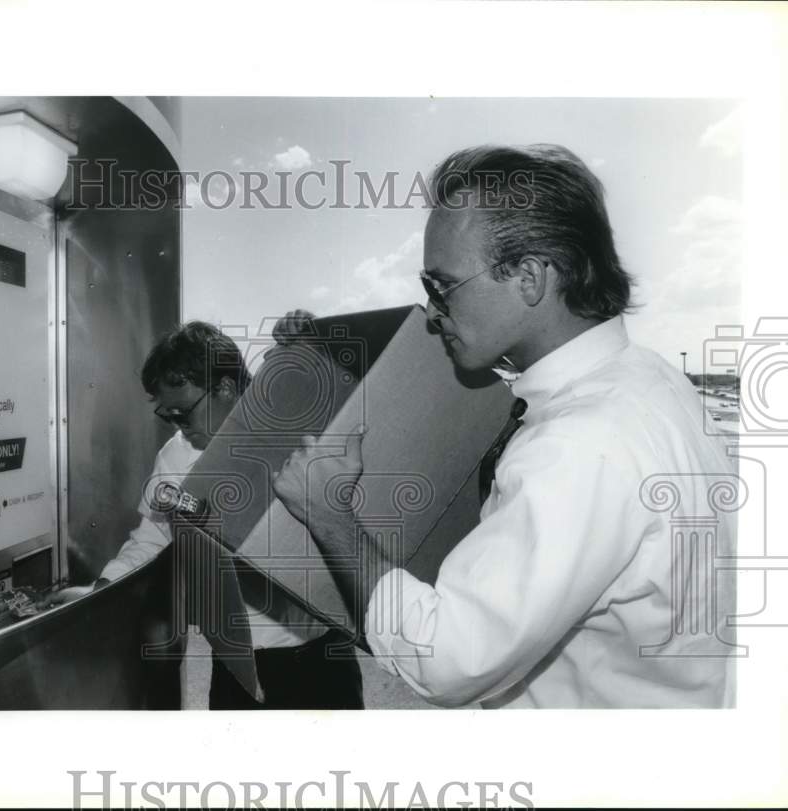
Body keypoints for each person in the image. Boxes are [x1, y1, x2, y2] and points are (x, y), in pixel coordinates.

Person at [272, 144, 737, 708]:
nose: (433, 313)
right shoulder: (651, 380)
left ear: (529, 278)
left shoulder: (579, 442)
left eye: (442, 287)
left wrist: (331, 514)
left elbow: (447, 659)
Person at [46, 318, 364, 710]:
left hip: (318, 657)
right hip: (236, 665)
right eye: (168, 417)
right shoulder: (177, 456)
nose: (178, 427)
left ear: (226, 388)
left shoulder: (296, 434)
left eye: (183, 414)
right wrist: (100, 593)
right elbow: (152, 539)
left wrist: (313, 342)